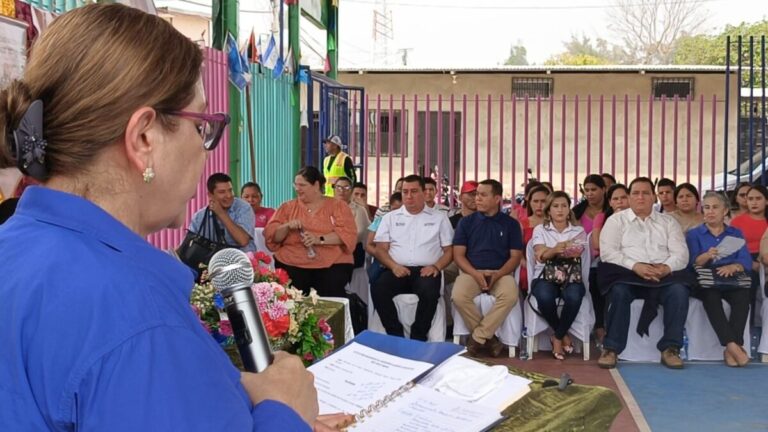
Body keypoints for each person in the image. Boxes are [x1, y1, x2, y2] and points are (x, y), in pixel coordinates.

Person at [0, 4, 322, 431]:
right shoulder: (138, 318)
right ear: (144, 138)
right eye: (201, 126)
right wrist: (286, 411)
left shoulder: (16, 244)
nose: (204, 150)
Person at [597, 177, 691, 370]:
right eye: (636, 193)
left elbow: (681, 254)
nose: (640, 197)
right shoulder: (616, 221)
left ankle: (671, 348)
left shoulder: (668, 222)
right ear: (629, 197)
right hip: (628, 275)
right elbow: (608, 253)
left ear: (654, 197)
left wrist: (666, 268)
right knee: (619, 292)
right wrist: (635, 266)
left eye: (645, 193)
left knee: (679, 291)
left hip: (662, 275)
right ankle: (611, 348)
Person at [371, 175, 454, 341]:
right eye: (405, 192)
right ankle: (395, 335)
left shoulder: (439, 218)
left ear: (424, 193)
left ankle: (418, 336)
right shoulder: (390, 218)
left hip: (426, 270)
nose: (409, 196)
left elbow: (449, 251)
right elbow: (381, 250)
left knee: (429, 293)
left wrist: (436, 267)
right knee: (379, 288)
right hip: (396, 269)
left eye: (414, 191)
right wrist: (393, 266)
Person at [452, 180, 523, 357]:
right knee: (458, 296)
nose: (477, 198)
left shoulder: (510, 224)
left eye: (483, 195)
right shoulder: (465, 223)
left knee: (510, 295)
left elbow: (515, 257)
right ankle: (490, 339)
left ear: (497, 198)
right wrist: (476, 274)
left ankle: (478, 337)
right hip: (472, 272)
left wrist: (498, 274)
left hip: (501, 273)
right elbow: (458, 255)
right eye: (477, 194)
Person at [265, 166, 357, 298]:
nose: (297, 189)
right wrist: (286, 226)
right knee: (291, 293)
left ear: (316, 185)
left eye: (302, 185)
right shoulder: (287, 207)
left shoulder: (338, 206)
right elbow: (274, 237)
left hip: (333, 262)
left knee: (330, 287)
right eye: (295, 185)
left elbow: (347, 235)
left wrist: (318, 239)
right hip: (292, 261)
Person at [686, 191, 752, 367]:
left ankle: (731, 349)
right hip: (705, 280)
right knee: (711, 298)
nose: (710, 211)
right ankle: (733, 346)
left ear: (725, 211)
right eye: (707, 207)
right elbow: (692, 262)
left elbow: (745, 260)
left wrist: (734, 267)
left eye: (715, 207)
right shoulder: (694, 234)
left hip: (731, 278)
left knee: (742, 298)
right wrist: (707, 256)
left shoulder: (735, 233)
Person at [529, 191, 587, 360]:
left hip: (571, 276)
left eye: (564, 206)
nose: (560, 210)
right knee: (544, 296)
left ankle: (557, 337)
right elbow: (540, 255)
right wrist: (555, 249)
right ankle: (563, 335)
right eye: (555, 206)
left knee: (574, 296)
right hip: (544, 276)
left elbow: (578, 252)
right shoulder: (540, 229)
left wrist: (557, 251)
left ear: (569, 209)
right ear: (549, 210)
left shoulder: (578, 230)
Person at [589, 183, 630, 344]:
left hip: (632, 262)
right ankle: (600, 326)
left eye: (623, 198)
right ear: (610, 202)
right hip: (606, 260)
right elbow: (597, 244)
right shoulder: (602, 218)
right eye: (615, 199)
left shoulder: (637, 218)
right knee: (595, 277)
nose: (619, 202)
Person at [188, 172, 256, 252]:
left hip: (241, 258)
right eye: (222, 192)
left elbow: (243, 241)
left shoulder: (243, 208)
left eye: (230, 190)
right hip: (212, 259)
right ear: (210, 195)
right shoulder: (199, 217)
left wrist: (221, 213)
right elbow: (189, 244)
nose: (228, 195)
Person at [333, 176, 371, 269]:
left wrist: (338, 241)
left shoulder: (359, 210)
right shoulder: (326, 207)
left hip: (352, 251)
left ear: (351, 191)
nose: (342, 191)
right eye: (338, 187)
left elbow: (360, 233)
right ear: (334, 189)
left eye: (346, 188)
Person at [519, 185, 549, 293]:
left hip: (552, 266)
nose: (539, 205)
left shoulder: (556, 223)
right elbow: (518, 253)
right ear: (530, 203)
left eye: (543, 201)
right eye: (535, 201)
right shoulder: (522, 224)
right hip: (527, 265)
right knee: (525, 277)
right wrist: (528, 265)